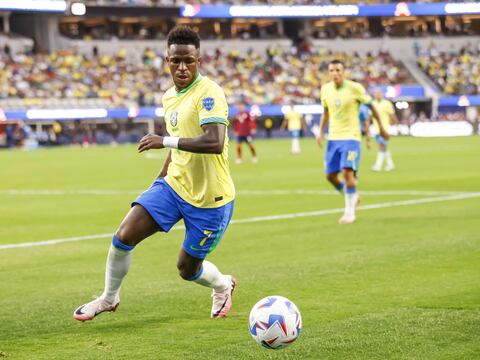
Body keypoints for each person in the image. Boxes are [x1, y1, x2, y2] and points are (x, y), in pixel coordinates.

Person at [74, 26, 236, 321]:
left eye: (189, 60)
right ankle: (108, 298)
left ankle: (223, 284)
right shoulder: (169, 97)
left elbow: (214, 142)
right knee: (123, 236)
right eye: (176, 61)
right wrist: (161, 176)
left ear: (199, 60)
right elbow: (178, 139)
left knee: (187, 270)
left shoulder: (210, 92)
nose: (182, 67)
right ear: (167, 60)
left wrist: (163, 141)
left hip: (211, 199)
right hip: (174, 186)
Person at [316, 60, 389, 224]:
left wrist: (382, 129)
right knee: (330, 176)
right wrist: (320, 132)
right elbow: (326, 112)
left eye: (338, 70)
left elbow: (372, 107)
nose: (335, 73)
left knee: (347, 172)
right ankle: (353, 196)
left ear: (344, 72)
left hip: (351, 137)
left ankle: (349, 212)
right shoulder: (325, 89)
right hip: (333, 139)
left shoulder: (355, 88)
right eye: (332, 70)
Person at [371, 89, 398, 172]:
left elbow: (392, 115)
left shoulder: (387, 103)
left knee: (381, 146)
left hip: (385, 129)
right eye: (376, 93)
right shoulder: (372, 104)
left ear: (382, 94)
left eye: (379, 93)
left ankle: (378, 165)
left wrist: (394, 124)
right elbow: (369, 116)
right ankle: (390, 164)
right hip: (376, 129)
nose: (378, 95)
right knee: (384, 147)